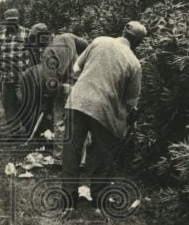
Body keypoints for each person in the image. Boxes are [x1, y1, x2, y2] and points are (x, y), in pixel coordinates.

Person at [61, 21, 146, 212]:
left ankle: (69, 201)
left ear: (123, 31)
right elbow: (131, 101)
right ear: (139, 42)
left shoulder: (99, 41)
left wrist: (87, 81)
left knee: (71, 152)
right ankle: (98, 199)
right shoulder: (134, 63)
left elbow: (75, 69)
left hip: (77, 102)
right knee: (103, 154)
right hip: (105, 110)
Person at [38, 28, 89, 163]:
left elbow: (51, 84)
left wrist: (48, 99)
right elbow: (85, 44)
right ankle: (83, 160)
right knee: (80, 122)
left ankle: (59, 158)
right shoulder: (68, 37)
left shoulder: (48, 53)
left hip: (64, 88)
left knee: (60, 122)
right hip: (79, 84)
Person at [0, 9, 30, 137]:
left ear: (18, 21)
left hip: (23, 78)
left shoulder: (26, 33)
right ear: (6, 22)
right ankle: (14, 132)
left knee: (25, 104)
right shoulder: (1, 36)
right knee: (9, 106)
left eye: (14, 22)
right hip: (7, 78)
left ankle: (29, 129)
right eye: (9, 22)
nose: (12, 25)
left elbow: (35, 54)